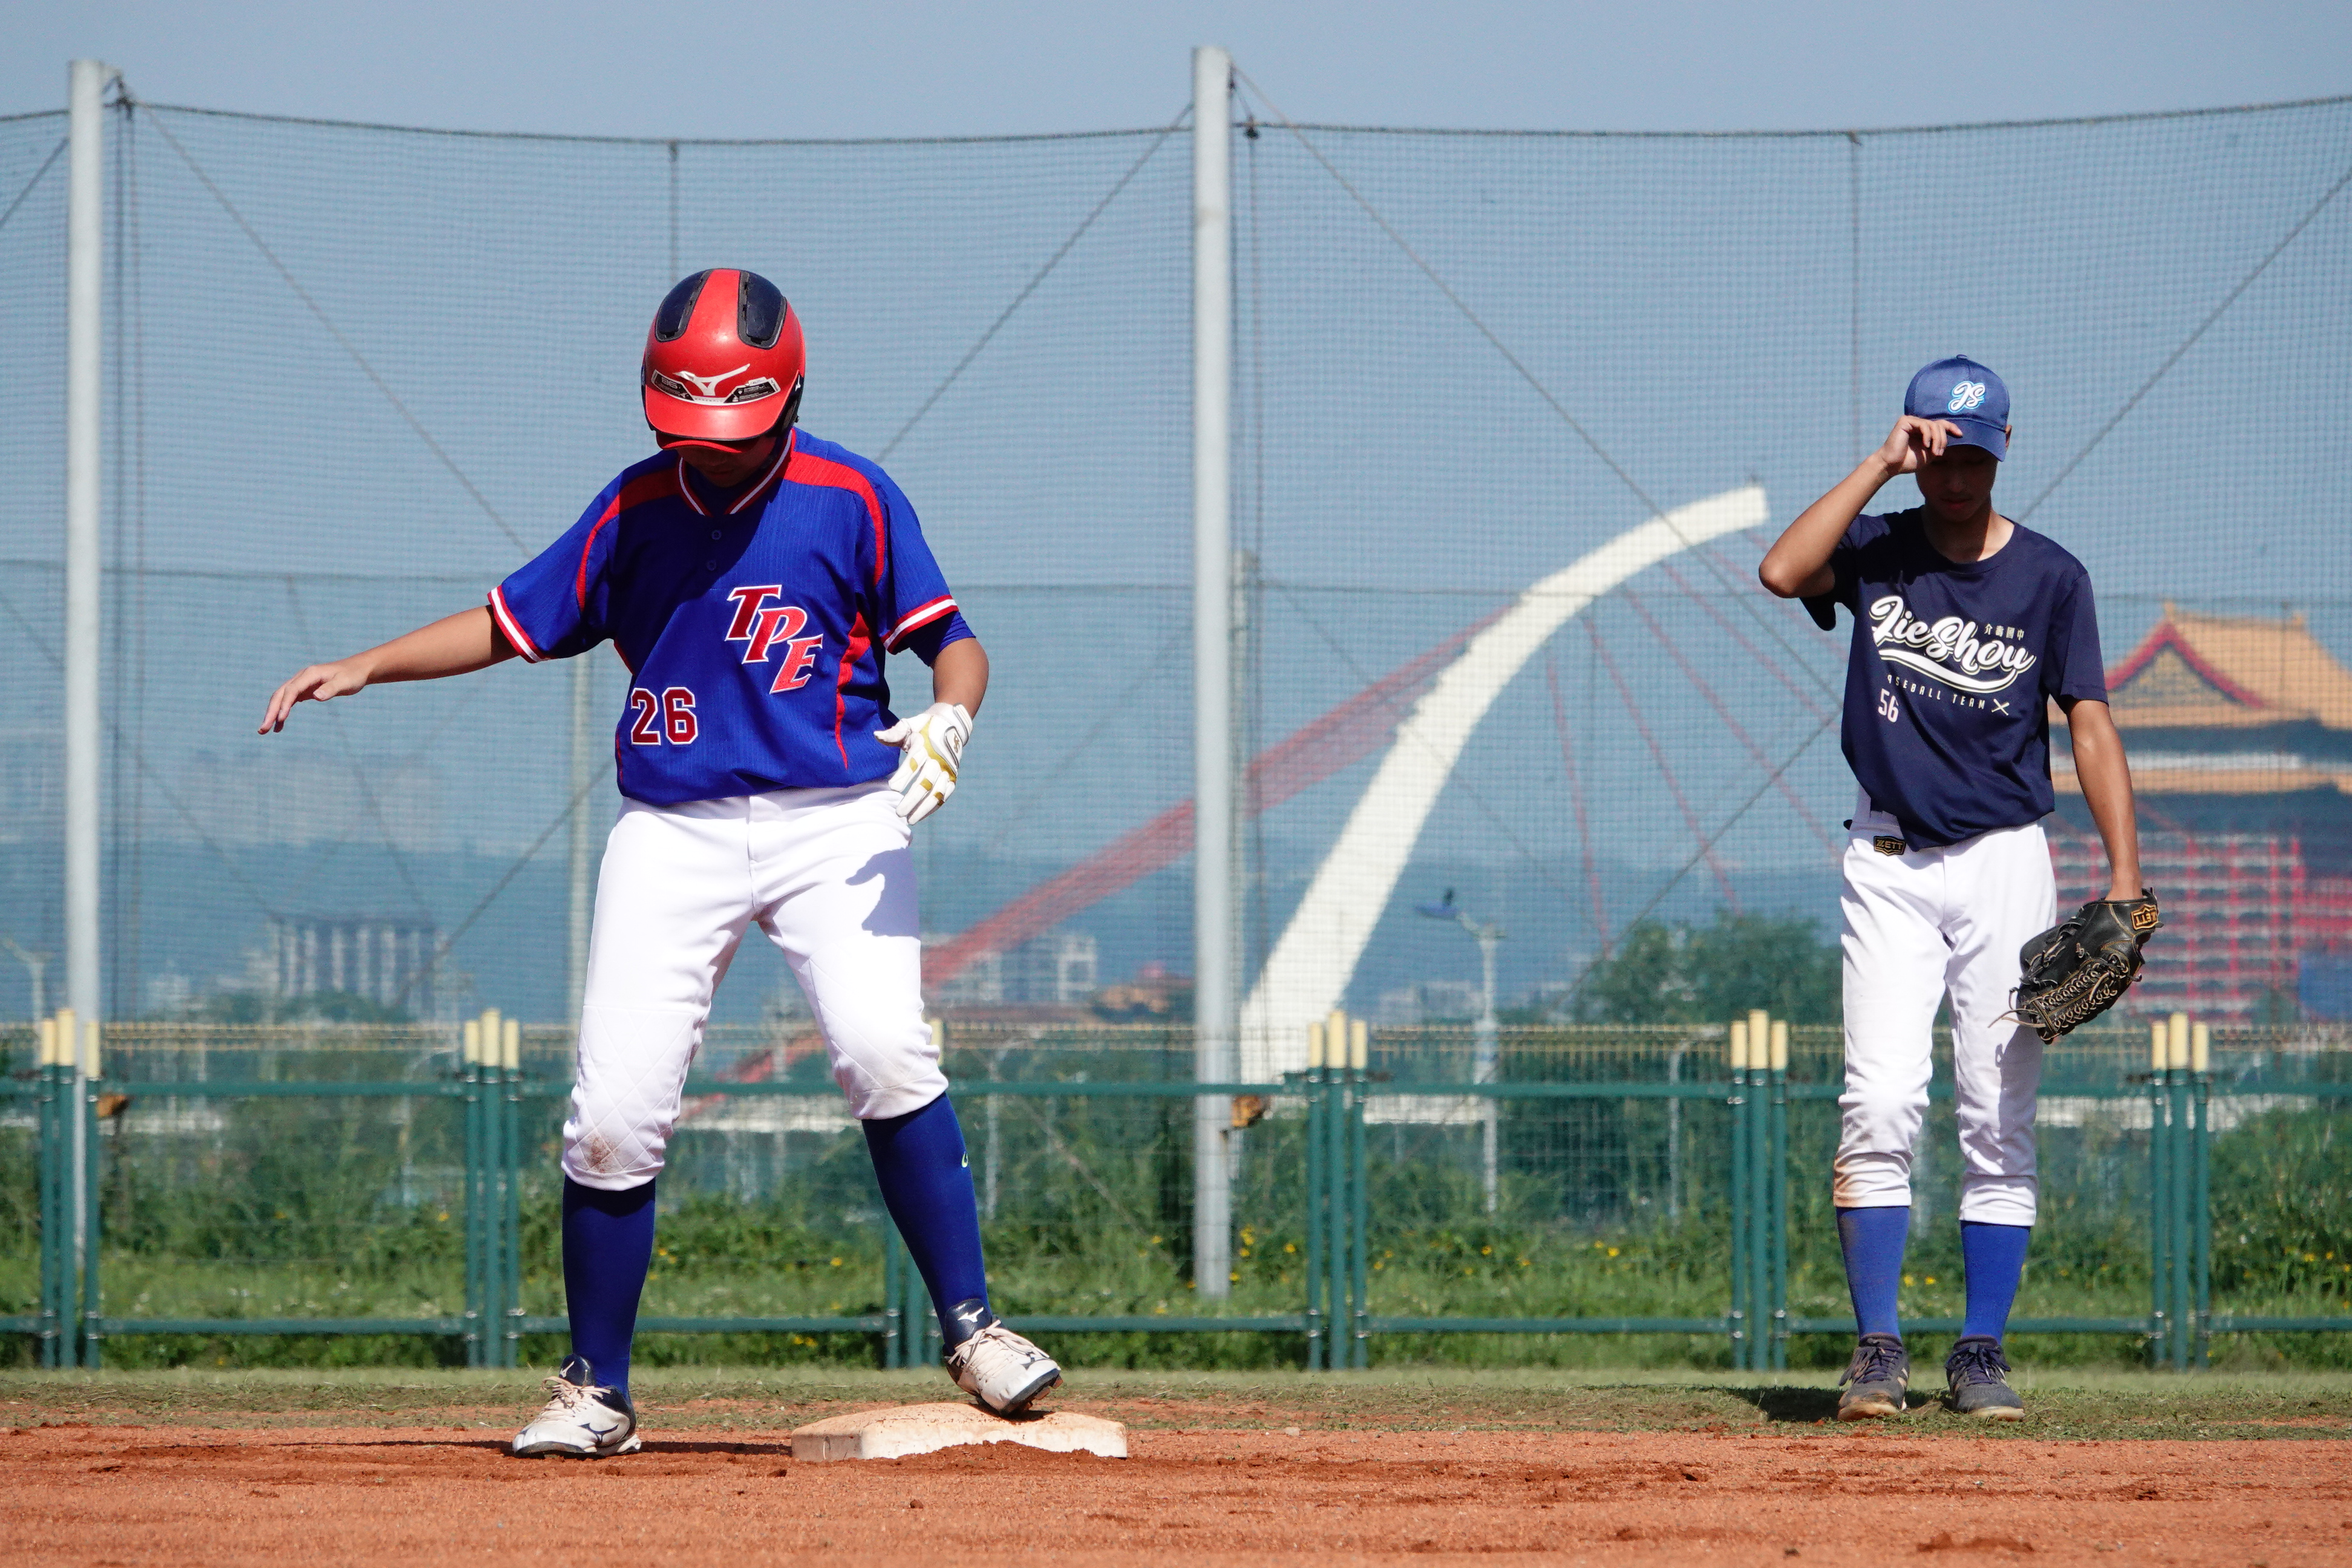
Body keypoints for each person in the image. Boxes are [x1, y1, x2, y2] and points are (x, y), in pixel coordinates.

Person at [259, 267, 1060, 1457]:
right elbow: (512, 619)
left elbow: (952, 641)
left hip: (838, 815)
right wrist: (368, 664)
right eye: (689, 427)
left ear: (787, 401)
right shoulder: (634, 507)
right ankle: (597, 1388)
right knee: (613, 1113)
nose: (712, 452)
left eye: (735, 428)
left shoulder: (851, 495)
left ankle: (975, 1331)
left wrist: (953, 716)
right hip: (674, 828)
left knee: (887, 1048)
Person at [1758, 356, 2144, 1422]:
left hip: (2005, 861)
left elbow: (2090, 723)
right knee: (1880, 1099)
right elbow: (1782, 572)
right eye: (1939, 452)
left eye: (1973, 455)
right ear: (1917, 448)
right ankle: (1877, 1347)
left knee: (1997, 1110)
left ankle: (1980, 1350)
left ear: (2002, 452)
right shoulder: (1877, 549)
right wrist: (1879, 463)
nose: (1957, 474)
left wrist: (2125, 879)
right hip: (1888, 861)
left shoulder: (2052, 577)